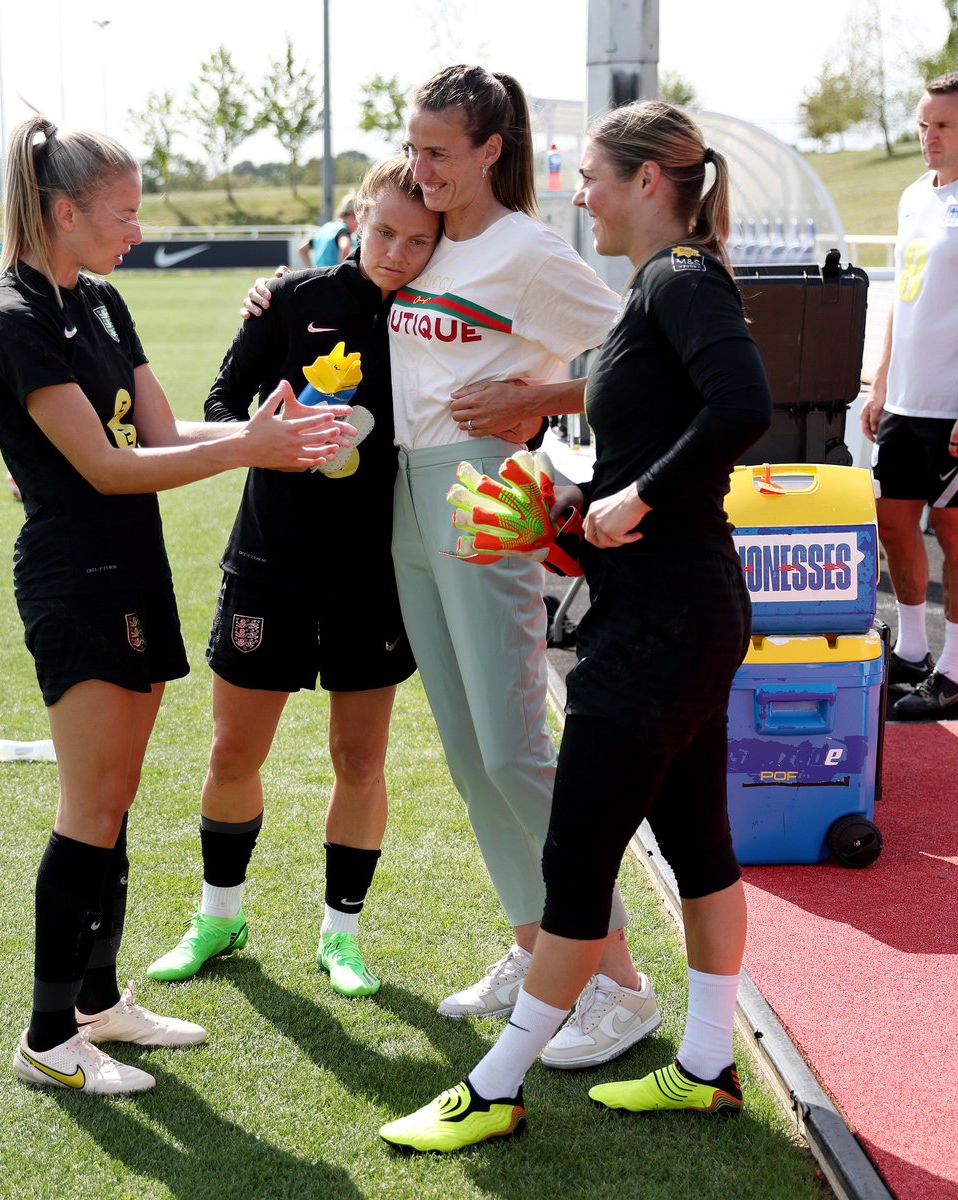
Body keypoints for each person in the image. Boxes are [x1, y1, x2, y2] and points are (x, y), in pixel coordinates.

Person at [380, 99, 771, 1152]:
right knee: (697, 846)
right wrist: (572, 508)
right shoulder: (659, 285)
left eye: (593, 175)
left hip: (663, 620)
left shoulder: (681, 277)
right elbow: (661, 412)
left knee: (578, 860)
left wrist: (634, 498)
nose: (579, 194)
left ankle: (496, 1090)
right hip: (674, 607)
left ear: (650, 182)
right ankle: (706, 1066)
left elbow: (743, 406)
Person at [0, 112, 353, 1095]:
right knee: (88, 802)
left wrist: (264, 425)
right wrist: (246, 452)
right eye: (124, 213)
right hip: (74, 574)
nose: (137, 230)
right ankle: (48, 1037)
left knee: (117, 795)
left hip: (134, 570)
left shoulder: (98, 301)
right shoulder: (9, 315)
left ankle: (97, 1002)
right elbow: (100, 465)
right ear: (63, 211)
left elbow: (170, 429)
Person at [386, 65, 659, 1068]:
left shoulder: (530, 254)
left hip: (486, 493)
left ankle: (620, 984)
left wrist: (538, 402)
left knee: (513, 750)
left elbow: (646, 360)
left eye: (440, 152)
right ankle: (536, 949)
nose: (421, 168)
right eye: (414, 148)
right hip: (405, 498)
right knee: (467, 752)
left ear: (492, 149)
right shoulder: (411, 235)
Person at [145, 157, 439, 998]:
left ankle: (340, 935)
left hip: (372, 578)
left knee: (359, 757)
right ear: (356, 220)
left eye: (420, 241)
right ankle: (218, 916)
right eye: (385, 232)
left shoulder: (440, 315)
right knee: (234, 749)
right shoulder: (294, 299)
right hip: (270, 563)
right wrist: (265, 433)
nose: (398, 252)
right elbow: (223, 401)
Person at [859, 70, 958, 719]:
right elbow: (902, 298)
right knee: (894, 524)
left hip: (952, 407)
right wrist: (882, 380)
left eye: (943, 126)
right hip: (906, 401)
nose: (929, 137)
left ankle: (955, 670)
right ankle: (915, 652)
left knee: (955, 536)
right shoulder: (914, 197)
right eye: (924, 125)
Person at [297, 193, 358, 267]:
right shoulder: (343, 231)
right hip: (332, 276)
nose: (359, 223)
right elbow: (345, 246)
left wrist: (310, 269)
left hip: (318, 275)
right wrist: (342, 272)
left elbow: (302, 249)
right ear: (352, 216)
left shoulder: (326, 227)